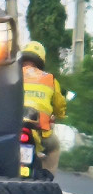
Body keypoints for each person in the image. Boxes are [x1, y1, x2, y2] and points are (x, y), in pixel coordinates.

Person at [22, 41, 66, 173]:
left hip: (11, 128)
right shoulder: (50, 79)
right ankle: (48, 177)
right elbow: (59, 105)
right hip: (40, 131)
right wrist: (60, 115)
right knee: (55, 147)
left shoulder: (10, 76)